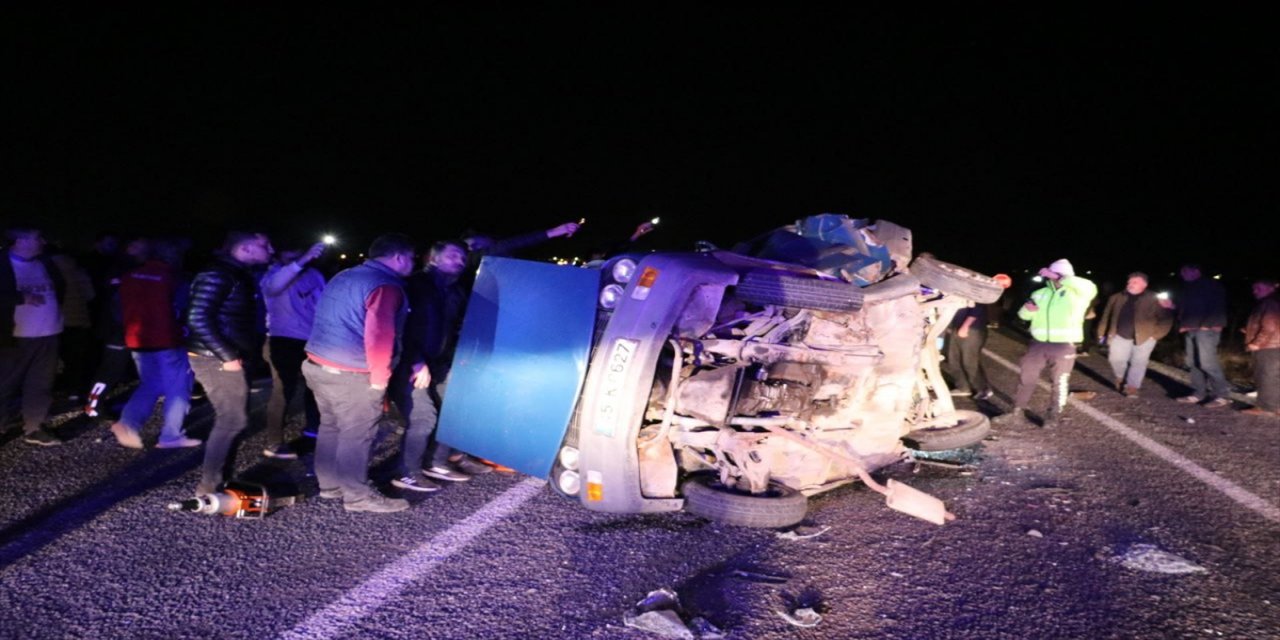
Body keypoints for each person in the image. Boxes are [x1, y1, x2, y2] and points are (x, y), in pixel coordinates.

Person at [303, 233, 416, 513]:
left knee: (330, 426)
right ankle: (357, 495)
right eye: (412, 258)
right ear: (399, 257)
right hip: (351, 372)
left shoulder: (345, 275)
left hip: (317, 365)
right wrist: (379, 381)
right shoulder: (385, 285)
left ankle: (329, 485)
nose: (414, 263)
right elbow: (379, 335)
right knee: (357, 434)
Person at [389, 240, 491, 493]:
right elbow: (400, 329)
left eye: (462, 257)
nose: (460, 260)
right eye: (453, 256)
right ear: (433, 259)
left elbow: (457, 327)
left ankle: (437, 461)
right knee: (424, 418)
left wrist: (461, 355)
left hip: (440, 360)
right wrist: (415, 361)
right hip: (409, 362)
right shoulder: (415, 286)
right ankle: (407, 472)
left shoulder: (455, 290)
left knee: (454, 408)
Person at [188, 231, 274, 494]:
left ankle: (223, 481)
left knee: (234, 419)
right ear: (246, 249)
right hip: (217, 359)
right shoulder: (218, 274)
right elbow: (197, 317)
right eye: (264, 245)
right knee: (232, 420)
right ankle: (209, 487)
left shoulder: (236, 273)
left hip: (231, 356)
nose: (271, 249)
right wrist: (228, 356)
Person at [109, 238, 200, 448]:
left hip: (137, 339)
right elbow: (185, 309)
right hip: (168, 339)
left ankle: (128, 423)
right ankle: (170, 435)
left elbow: (117, 307)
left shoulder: (130, 276)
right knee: (179, 386)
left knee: (150, 383)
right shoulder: (173, 278)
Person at [995, 259, 1097, 428]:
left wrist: (1059, 276)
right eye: (1051, 274)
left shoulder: (1079, 293)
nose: (1051, 277)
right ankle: (1016, 412)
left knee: (1060, 381)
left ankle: (1053, 415)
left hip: (1064, 344)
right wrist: (1028, 309)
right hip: (1038, 344)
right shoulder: (1040, 293)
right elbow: (1024, 316)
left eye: (1056, 274)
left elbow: (1089, 287)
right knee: (1026, 378)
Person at [260, 242, 327, 459]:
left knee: (314, 388)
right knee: (282, 390)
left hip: (313, 340)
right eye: (292, 253)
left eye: (301, 253)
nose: (299, 257)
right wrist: (301, 261)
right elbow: (273, 287)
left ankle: (312, 430)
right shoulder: (273, 275)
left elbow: (323, 302)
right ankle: (275, 441)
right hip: (282, 339)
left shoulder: (314, 274)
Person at [0, 226, 66, 445]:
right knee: (5, 384)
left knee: (40, 384)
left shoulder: (45, 263)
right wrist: (20, 298)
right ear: (20, 241)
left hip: (48, 333)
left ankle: (34, 427)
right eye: (38, 238)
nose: (43, 242)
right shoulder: (3, 264)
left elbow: (60, 288)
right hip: (14, 338)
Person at [1095, 272, 1174, 397]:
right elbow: (1106, 316)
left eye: (1134, 282)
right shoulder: (1116, 297)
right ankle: (1120, 378)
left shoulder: (1154, 298)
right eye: (1129, 282)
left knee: (1139, 362)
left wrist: (1156, 335)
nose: (1129, 284)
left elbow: (1166, 319)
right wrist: (1101, 332)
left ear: (1144, 284)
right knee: (1115, 359)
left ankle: (1132, 387)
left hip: (1145, 337)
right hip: (1120, 335)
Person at [1169, 264, 1232, 407]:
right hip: (1191, 329)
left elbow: (1218, 305)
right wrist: (1172, 307)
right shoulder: (1188, 288)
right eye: (1182, 272)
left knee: (1207, 362)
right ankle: (1198, 393)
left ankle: (1222, 395)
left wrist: (1207, 324)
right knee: (1193, 363)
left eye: (1186, 271)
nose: (1183, 274)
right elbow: (1186, 309)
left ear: (1197, 271)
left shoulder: (1210, 285)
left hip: (1206, 329)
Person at [1240, 279, 1279, 417]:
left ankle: (1266, 408)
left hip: (1269, 346)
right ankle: (1276, 406)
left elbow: (1270, 327)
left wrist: (1257, 342)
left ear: (1270, 289)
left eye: (1259, 288)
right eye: (1254, 288)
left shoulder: (1268, 304)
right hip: (1274, 345)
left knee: (1266, 376)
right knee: (1273, 377)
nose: (1255, 291)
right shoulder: (1271, 303)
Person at [946, 303, 993, 400]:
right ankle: (962, 386)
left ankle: (983, 389)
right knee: (954, 358)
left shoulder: (975, 289)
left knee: (969, 361)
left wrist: (966, 325)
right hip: (958, 326)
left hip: (972, 328)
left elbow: (979, 306)